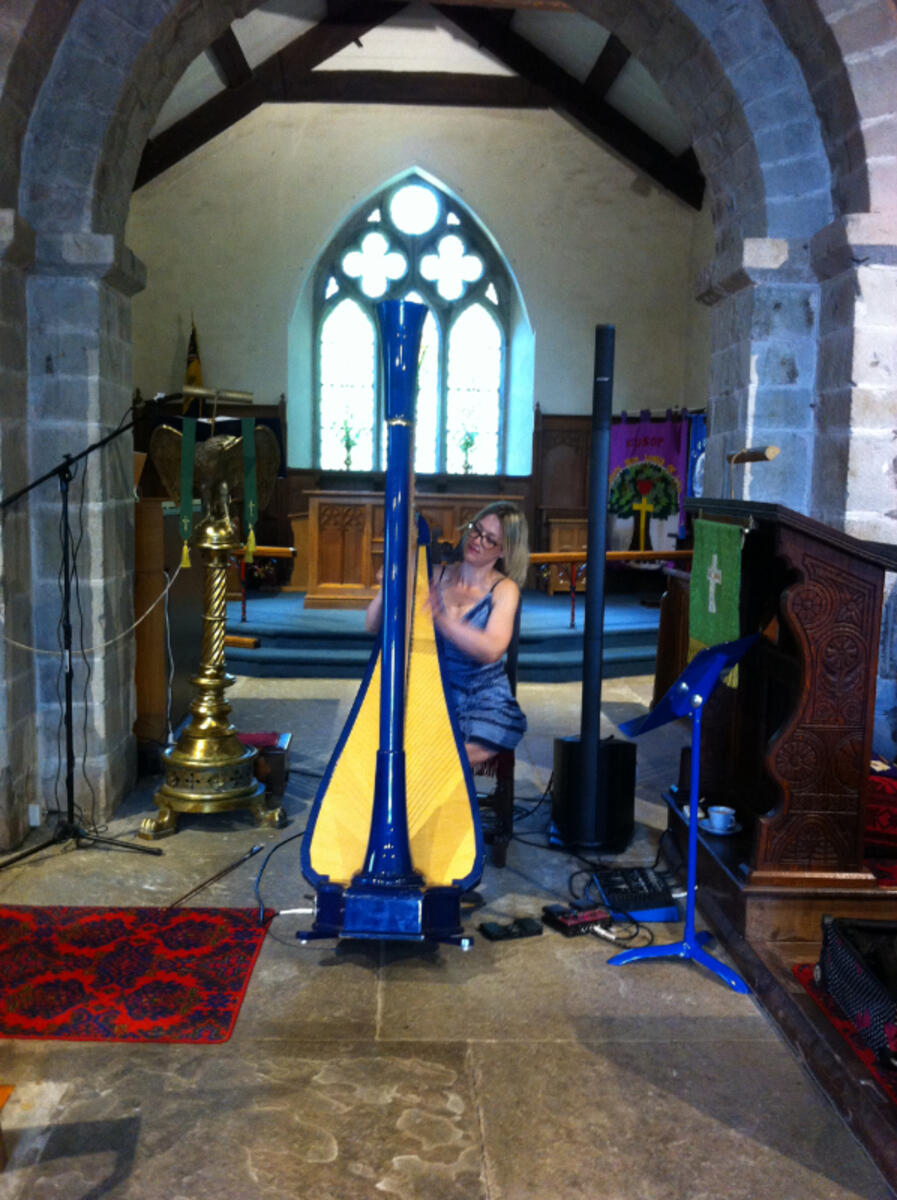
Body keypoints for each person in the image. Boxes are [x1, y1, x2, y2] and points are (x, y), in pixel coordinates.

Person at [365, 501, 529, 766]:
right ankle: (433, 779)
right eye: (476, 530)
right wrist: (388, 584)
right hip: (433, 689)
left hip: (483, 693)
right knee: (386, 734)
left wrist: (440, 619)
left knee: (479, 740)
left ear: (503, 550)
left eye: (490, 540)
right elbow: (372, 625)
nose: (477, 540)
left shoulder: (504, 589)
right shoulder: (434, 576)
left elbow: (491, 650)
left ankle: (434, 776)